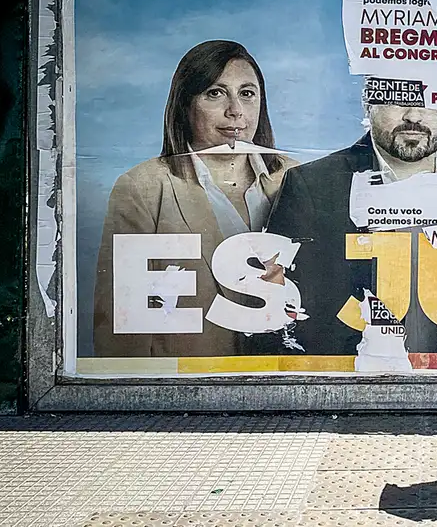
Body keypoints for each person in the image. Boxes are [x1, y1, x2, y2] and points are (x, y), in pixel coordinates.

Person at [93, 40, 297, 357]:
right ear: (185, 104)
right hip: (189, 387)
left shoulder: (298, 179)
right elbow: (121, 328)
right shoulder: (143, 188)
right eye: (215, 93)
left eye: (247, 93)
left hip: (285, 378)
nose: (235, 110)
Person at [252, 101, 437, 356]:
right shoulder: (313, 185)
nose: (414, 116)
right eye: (399, 101)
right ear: (366, 105)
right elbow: (277, 310)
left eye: (429, 103)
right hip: (342, 382)